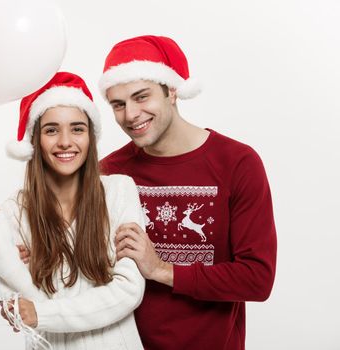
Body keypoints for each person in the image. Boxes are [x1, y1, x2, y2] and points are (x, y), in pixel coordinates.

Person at [98, 35, 277, 350]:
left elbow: (257, 278)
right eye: (118, 104)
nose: (130, 114)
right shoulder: (108, 172)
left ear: (172, 91)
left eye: (142, 97)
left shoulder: (237, 163)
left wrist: (161, 269)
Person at [0, 72, 145, 349]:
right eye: (51, 130)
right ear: (35, 140)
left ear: (90, 137)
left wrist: (42, 313)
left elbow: (128, 291)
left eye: (77, 129)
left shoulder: (119, 191)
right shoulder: (15, 210)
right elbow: (21, 307)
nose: (65, 141)